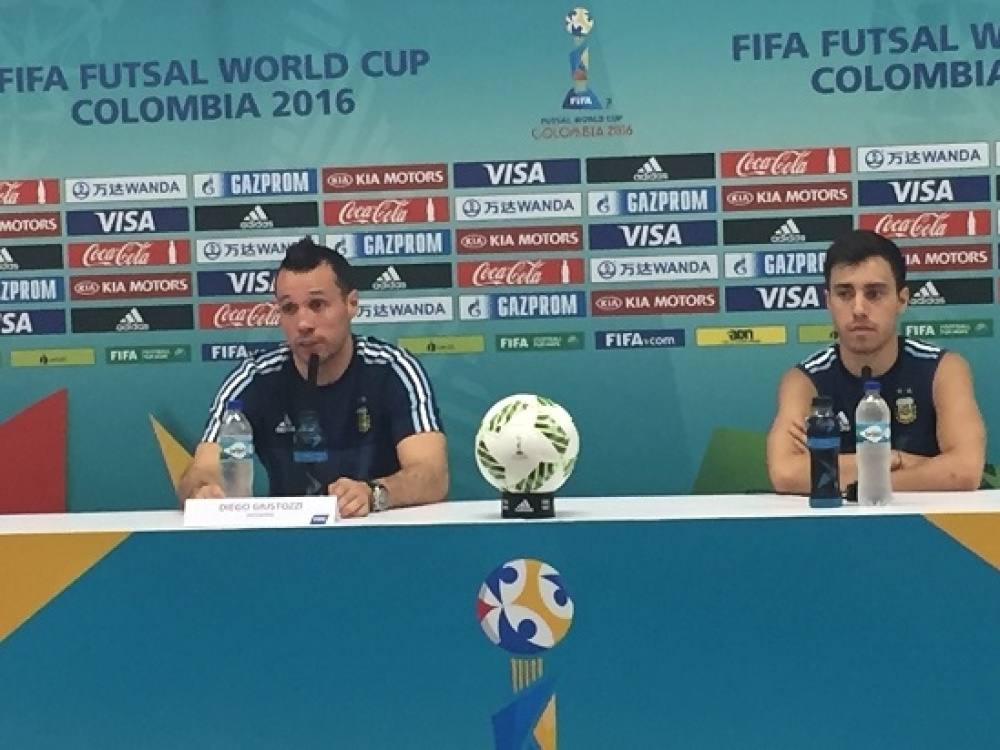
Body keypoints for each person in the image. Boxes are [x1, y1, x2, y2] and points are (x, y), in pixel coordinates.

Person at [177, 237, 449, 516]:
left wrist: (374, 493)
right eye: (289, 309)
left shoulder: (392, 370)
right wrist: (202, 490)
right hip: (288, 536)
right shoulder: (255, 377)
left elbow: (432, 474)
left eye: (317, 305)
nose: (303, 323)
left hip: (377, 532)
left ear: (351, 304)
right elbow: (202, 469)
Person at [766, 229, 986, 494]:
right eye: (844, 294)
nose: (858, 309)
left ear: (902, 300)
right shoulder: (804, 381)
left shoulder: (944, 369)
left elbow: (964, 471)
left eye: (874, 293)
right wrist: (892, 460)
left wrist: (846, 475)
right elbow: (786, 473)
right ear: (828, 301)